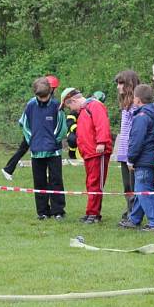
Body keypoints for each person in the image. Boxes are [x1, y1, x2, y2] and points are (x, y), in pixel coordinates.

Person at [60, 87, 112, 223]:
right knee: (90, 183)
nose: (71, 109)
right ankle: (91, 212)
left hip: (97, 152)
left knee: (95, 183)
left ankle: (94, 214)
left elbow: (102, 124)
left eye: (69, 105)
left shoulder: (94, 106)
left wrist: (101, 142)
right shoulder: (83, 110)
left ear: (73, 100)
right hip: (89, 153)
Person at [19, 76, 67, 220]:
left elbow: (62, 128)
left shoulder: (56, 106)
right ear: (36, 95)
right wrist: (32, 141)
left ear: (50, 93)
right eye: (41, 97)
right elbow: (24, 125)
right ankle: (42, 212)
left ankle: (58, 211)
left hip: (54, 151)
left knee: (56, 180)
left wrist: (53, 141)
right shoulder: (31, 105)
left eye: (46, 96)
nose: (44, 99)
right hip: (36, 152)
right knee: (39, 181)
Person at [119, 84, 154, 230]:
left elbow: (136, 140)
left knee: (144, 190)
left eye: (133, 98)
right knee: (141, 190)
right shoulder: (153, 114)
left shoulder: (141, 117)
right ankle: (134, 219)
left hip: (143, 159)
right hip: (151, 157)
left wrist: (131, 158)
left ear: (137, 100)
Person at [3, 74, 59, 180]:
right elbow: (23, 120)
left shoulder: (52, 101)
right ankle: (8, 169)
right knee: (23, 150)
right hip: (34, 133)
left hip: (40, 134)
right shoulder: (33, 102)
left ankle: (8, 169)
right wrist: (31, 132)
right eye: (53, 88)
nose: (54, 90)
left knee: (26, 150)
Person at [114, 70, 140, 220]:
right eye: (117, 83)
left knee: (134, 185)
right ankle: (130, 210)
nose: (118, 87)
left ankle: (134, 213)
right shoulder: (125, 106)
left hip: (132, 153)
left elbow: (135, 132)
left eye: (121, 83)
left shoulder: (135, 107)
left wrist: (132, 155)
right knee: (127, 186)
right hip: (124, 153)